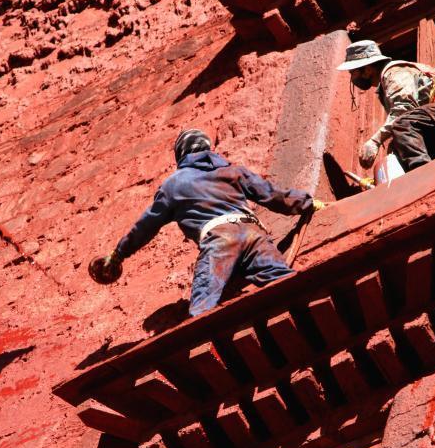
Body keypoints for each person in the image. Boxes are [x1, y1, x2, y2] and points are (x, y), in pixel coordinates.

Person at [92, 129, 325, 317]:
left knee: (204, 307)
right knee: (285, 283)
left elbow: (146, 226)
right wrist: (308, 203)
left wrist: (119, 253)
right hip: (255, 234)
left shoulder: (174, 185)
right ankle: (314, 316)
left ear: (181, 154)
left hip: (220, 238)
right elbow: (273, 195)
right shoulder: (232, 171)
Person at [336, 40, 435, 172]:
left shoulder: (394, 72)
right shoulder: (385, 84)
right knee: (399, 141)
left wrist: (375, 141)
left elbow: (403, 110)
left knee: (402, 124)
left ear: (367, 70)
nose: (352, 78)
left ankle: (423, 174)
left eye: (353, 72)